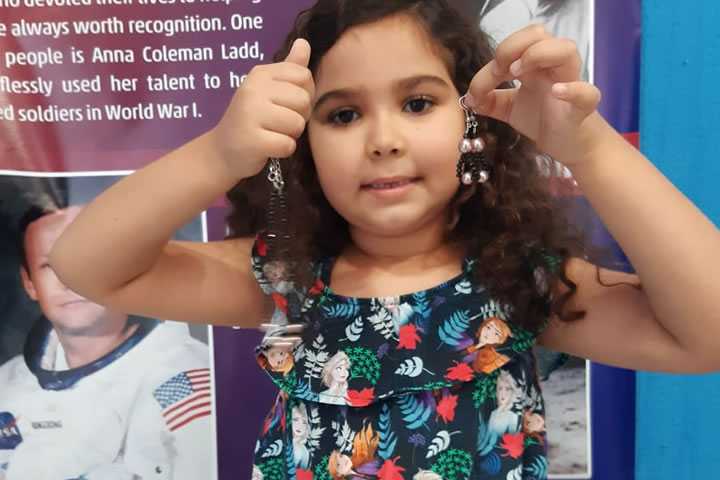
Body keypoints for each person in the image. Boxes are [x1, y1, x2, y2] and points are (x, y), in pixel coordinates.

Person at [48, 0, 720, 479]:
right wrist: (218, 154)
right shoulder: (286, 277)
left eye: (418, 103)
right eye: (343, 114)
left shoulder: (518, 278)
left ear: (473, 123)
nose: (384, 139)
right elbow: (86, 266)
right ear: (304, 146)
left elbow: (706, 333)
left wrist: (588, 147)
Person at [0, 204, 213, 480]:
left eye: (88, 260)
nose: (69, 280)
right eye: (50, 266)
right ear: (29, 283)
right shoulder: (7, 384)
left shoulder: (184, 380)